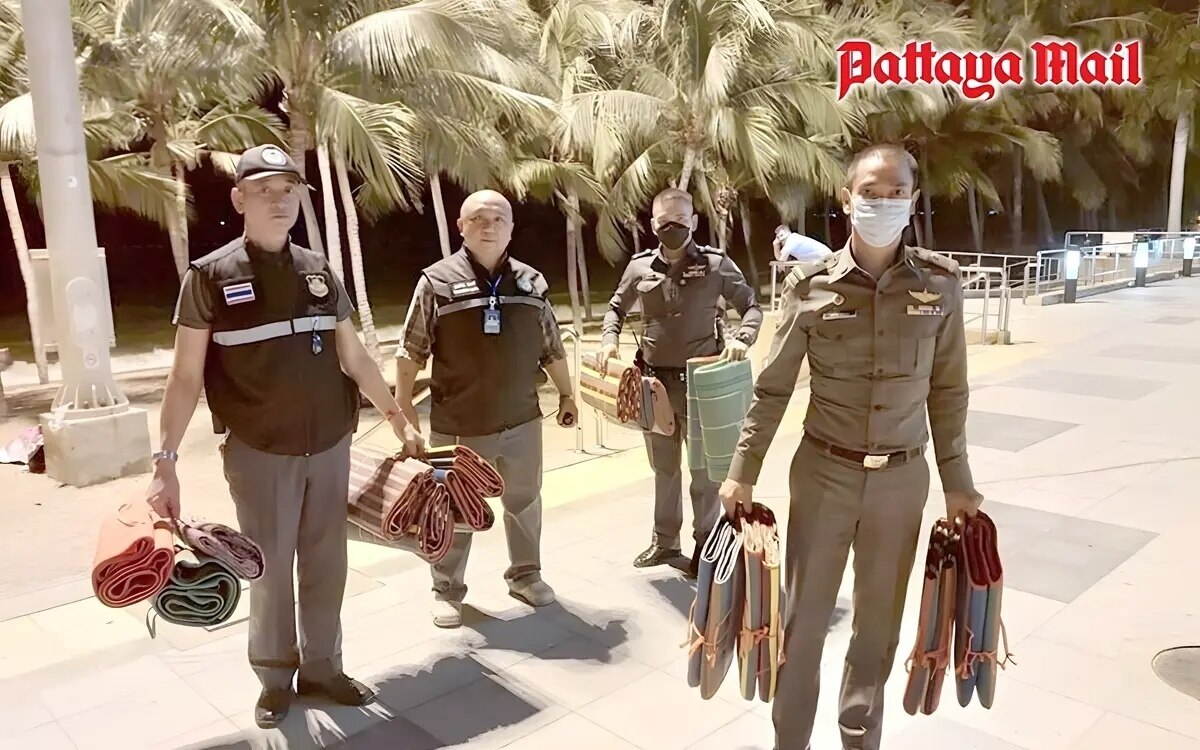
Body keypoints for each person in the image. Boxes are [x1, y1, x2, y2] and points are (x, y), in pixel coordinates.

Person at [144, 144, 424, 729]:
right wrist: (164, 461)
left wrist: (399, 419)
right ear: (239, 199)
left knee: (328, 561)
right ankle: (274, 678)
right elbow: (184, 376)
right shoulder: (210, 276)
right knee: (268, 567)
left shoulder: (319, 272)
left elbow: (355, 357)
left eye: (288, 189)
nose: (279, 200)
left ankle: (323, 667)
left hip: (328, 443)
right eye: (265, 190)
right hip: (258, 450)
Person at [718, 143, 983, 750]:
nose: (882, 202)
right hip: (824, 477)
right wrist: (742, 471)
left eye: (896, 193)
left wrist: (957, 482)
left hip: (901, 482)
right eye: (870, 191)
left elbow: (949, 392)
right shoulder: (809, 286)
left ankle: (859, 739)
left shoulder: (940, 286)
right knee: (802, 623)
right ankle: (791, 741)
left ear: (913, 201)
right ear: (847, 198)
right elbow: (773, 387)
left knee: (877, 631)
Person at [395, 189, 579, 629]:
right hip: (459, 425)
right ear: (461, 227)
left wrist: (568, 394)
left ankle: (526, 575)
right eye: (478, 218)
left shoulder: (532, 283)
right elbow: (411, 348)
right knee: (451, 508)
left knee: (525, 501)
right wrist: (403, 407)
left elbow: (552, 345)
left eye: (498, 218)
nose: (488, 225)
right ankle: (447, 590)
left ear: (512, 228)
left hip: (521, 418)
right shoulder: (436, 281)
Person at [599, 187, 763, 575]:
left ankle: (706, 544)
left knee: (703, 471)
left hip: (701, 384)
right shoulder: (639, 267)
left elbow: (751, 306)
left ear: (692, 221)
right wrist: (608, 341)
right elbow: (615, 309)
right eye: (664, 221)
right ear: (653, 224)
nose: (672, 226)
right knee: (663, 467)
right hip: (654, 386)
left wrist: (742, 339)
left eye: (680, 220)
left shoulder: (715, 265)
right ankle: (664, 542)